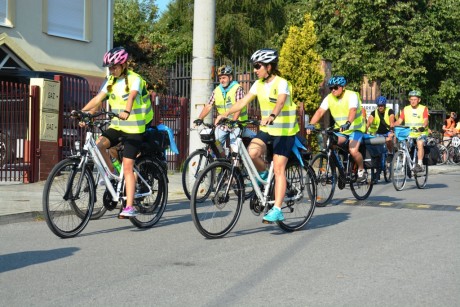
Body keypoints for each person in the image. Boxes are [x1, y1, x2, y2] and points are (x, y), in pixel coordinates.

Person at [215, 49, 299, 223]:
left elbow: (281, 101)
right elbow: (244, 101)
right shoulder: (258, 84)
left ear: (268, 66)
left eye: (257, 66)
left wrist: (273, 116)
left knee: (279, 168)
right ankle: (264, 175)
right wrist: (227, 113)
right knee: (252, 152)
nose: (254, 70)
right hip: (268, 130)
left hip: (284, 131)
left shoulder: (281, 83)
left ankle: (277, 209)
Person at [76, 46, 153, 217]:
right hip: (118, 125)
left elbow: (132, 96)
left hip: (134, 128)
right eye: (110, 67)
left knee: (128, 166)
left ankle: (130, 207)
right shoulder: (110, 80)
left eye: (115, 66)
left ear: (124, 64)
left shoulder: (135, 79)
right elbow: (98, 99)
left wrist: (127, 110)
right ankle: (112, 176)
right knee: (98, 145)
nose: (112, 70)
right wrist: (83, 112)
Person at [307, 76, 367, 182]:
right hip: (341, 130)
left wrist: (348, 123)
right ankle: (339, 170)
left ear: (343, 87)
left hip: (355, 129)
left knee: (353, 150)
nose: (333, 90)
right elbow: (320, 111)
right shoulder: (329, 98)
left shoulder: (351, 95)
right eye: (331, 88)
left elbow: (352, 110)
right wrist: (311, 124)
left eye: (335, 87)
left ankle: (361, 170)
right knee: (332, 143)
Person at [193, 65, 254, 146]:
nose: (222, 80)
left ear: (230, 78)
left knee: (234, 147)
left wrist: (233, 121)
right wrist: (200, 118)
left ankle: (234, 158)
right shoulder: (217, 90)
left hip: (237, 124)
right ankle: (221, 158)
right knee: (215, 145)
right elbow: (208, 106)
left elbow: (239, 107)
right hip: (223, 124)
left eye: (224, 77)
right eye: (220, 78)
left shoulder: (237, 88)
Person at [394, 90, 429, 173]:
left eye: (415, 99)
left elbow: (426, 120)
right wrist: (392, 126)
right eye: (411, 99)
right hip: (409, 133)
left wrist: (423, 127)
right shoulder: (405, 109)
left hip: (421, 133)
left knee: (420, 143)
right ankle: (406, 162)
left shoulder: (423, 108)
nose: (413, 101)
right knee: (404, 145)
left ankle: (420, 164)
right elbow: (399, 121)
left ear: (419, 100)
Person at [366, 95, 396, 182]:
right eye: (379, 105)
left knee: (389, 140)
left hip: (388, 132)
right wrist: (365, 129)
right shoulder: (374, 113)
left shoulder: (389, 111)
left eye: (382, 105)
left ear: (385, 105)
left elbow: (391, 119)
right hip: (378, 133)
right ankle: (377, 168)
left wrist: (391, 131)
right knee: (376, 150)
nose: (380, 107)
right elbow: (369, 121)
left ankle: (390, 152)